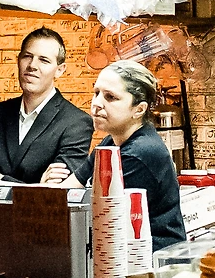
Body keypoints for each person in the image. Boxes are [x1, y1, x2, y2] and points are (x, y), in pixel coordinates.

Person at [43, 60, 185, 250]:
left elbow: (99, 218)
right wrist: (46, 190)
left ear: (139, 109)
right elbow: (68, 191)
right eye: (96, 93)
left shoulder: (139, 153)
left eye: (110, 97)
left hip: (150, 256)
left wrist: (49, 197)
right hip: (118, 250)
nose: (97, 103)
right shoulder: (111, 142)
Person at [0, 28, 94, 183]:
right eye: (27, 56)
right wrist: (38, 186)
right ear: (18, 60)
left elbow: (59, 190)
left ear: (59, 70)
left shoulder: (77, 123)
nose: (32, 65)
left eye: (44, 60)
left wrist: (0, 180)